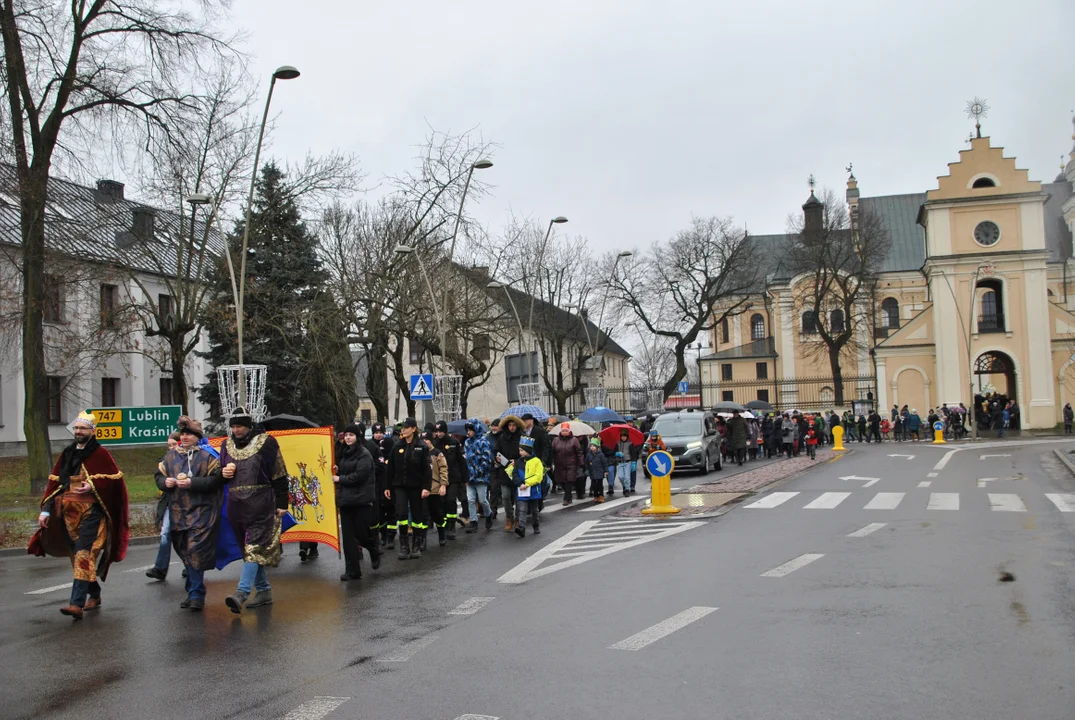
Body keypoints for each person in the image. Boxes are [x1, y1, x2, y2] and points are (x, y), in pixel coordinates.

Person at [29, 411, 129, 620]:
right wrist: (46, 510)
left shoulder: (101, 455)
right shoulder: (68, 453)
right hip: (68, 514)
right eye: (76, 428)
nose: (78, 432)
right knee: (78, 557)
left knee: (84, 554)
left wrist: (91, 488)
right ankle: (95, 593)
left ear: (93, 431)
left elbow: (114, 485)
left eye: (83, 428)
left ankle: (76, 604)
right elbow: (55, 486)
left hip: (93, 514)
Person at [219, 408, 289, 614]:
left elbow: (279, 473)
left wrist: (283, 502)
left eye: (239, 426)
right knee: (248, 551)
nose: (235, 430)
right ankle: (264, 590)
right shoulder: (226, 445)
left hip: (261, 503)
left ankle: (241, 593)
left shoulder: (266, 442)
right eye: (233, 426)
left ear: (248, 425)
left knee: (254, 548)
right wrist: (222, 472)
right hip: (236, 505)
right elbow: (219, 474)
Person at [155, 417, 222, 610]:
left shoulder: (207, 457)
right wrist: (164, 483)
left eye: (188, 434)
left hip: (201, 513)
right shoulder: (170, 457)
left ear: (196, 437)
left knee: (195, 551)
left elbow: (216, 480)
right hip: (178, 512)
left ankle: (196, 595)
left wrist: (193, 483)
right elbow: (159, 475)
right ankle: (192, 589)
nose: (184, 437)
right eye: (182, 434)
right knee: (184, 551)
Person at [335, 423, 380, 581]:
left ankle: (373, 549)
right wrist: (337, 470)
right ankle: (352, 570)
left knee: (361, 534)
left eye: (351, 435)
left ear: (357, 437)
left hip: (361, 500)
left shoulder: (364, 454)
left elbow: (359, 476)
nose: (348, 438)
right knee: (348, 538)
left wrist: (339, 478)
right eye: (346, 435)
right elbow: (345, 470)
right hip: (346, 500)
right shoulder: (344, 453)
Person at [386, 418, 432, 560]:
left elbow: (427, 470)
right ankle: (404, 545)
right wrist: (387, 486)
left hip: (416, 486)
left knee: (417, 516)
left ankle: (416, 545)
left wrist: (426, 487)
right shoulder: (396, 446)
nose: (403, 430)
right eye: (402, 428)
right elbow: (390, 468)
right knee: (402, 514)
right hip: (400, 486)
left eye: (406, 427)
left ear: (413, 429)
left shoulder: (421, 446)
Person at [146, 431, 181, 582]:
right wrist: (165, 483)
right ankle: (160, 568)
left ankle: (191, 565)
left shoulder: (191, 459)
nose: (172, 447)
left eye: (175, 444)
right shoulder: (164, 462)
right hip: (169, 502)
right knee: (165, 533)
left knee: (183, 537)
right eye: (169, 445)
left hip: (188, 504)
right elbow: (158, 478)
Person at [433, 420, 469, 540]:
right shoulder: (435, 444)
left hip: (454, 477)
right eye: (437, 431)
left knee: (450, 500)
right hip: (440, 479)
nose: (439, 434)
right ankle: (444, 526)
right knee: (441, 502)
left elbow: (461, 461)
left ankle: (451, 526)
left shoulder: (454, 442)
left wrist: (465, 478)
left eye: (441, 431)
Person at [507, 436, 544, 537]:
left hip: (533, 489)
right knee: (522, 509)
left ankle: (535, 525)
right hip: (522, 490)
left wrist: (527, 483)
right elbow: (515, 474)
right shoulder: (518, 462)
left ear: (528, 450)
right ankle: (521, 527)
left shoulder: (537, 461)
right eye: (519, 450)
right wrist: (520, 484)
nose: (520, 452)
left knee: (534, 510)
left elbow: (538, 476)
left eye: (522, 450)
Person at [464, 422, 494, 532]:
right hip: (469, 477)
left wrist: (478, 472)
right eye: (467, 430)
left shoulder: (483, 442)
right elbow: (465, 459)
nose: (468, 432)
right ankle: (473, 522)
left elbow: (486, 459)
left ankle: (488, 513)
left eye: (471, 430)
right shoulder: (467, 442)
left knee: (482, 500)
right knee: (470, 500)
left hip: (481, 477)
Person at [495, 415, 523, 532]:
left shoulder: (522, 437)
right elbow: (496, 451)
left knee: (517, 498)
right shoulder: (502, 438)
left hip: (517, 471)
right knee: (505, 496)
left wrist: (516, 461)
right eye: (510, 425)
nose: (512, 427)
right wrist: (497, 458)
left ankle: (517, 519)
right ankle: (509, 517)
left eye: (514, 425)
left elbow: (527, 453)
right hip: (504, 471)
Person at [371, 423, 397, 550]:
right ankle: (384, 536)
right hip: (376, 484)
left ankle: (391, 537)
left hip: (390, 483)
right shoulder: (370, 446)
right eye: (376, 432)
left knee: (391, 511)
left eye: (380, 432)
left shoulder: (389, 445)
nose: (378, 434)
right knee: (379, 513)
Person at [423, 431, 450, 548]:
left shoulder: (437, 453)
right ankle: (422, 539)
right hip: (423, 490)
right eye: (422, 439)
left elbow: (443, 469)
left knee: (437, 514)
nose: (424, 442)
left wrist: (443, 484)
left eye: (426, 439)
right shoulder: (419, 453)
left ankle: (442, 533)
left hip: (435, 488)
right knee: (423, 516)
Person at [551, 423, 584, 505]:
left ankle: (566, 499)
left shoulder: (574, 440)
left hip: (571, 464)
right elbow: (552, 451)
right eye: (563, 431)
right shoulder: (556, 440)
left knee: (569, 481)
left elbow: (579, 452)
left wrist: (581, 463)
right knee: (561, 481)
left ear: (569, 431)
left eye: (566, 431)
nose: (564, 432)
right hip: (559, 464)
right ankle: (569, 495)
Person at [611, 429, 637, 497]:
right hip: (620, 462)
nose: (623, 437)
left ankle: (627, 490)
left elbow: (633, 453)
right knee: (620, 476)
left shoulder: (630, 443)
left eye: (625, 436)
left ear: (627, 436)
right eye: (622, 436)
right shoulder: (617, 443)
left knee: (627, 477)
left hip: (628, 462)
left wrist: (634, 462)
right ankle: (624, 486)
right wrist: (617, 453)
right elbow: (614, 452)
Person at [587, 437, 609, 503]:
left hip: (600, 472)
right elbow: (587, 463)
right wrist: (587, 469)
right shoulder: (589, 455)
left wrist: (606, 471)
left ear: (597, 447)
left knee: (600, 485)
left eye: (594, 446)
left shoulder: (601, 455)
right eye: (591, 446)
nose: (592, 447)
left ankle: (601, 496)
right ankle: (596, 495)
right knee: (594, 485)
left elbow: (604, 463)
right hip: (592, 472)